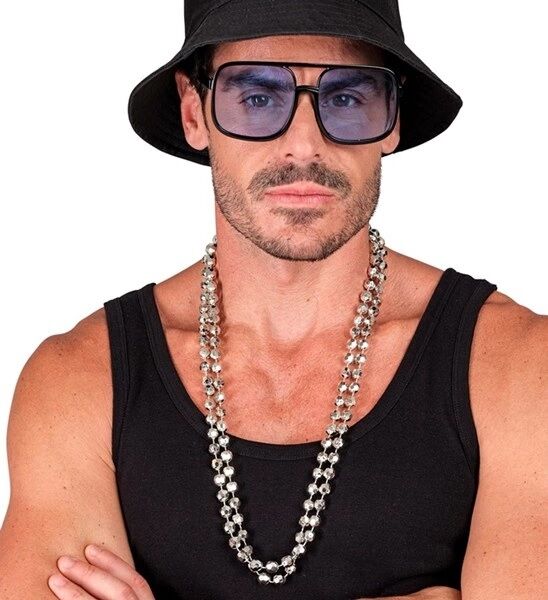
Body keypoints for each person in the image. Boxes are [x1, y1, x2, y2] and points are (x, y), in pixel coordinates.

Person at [0, 1, 546, 599]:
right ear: (194, 112)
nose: (304, 146)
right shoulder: (80, 379)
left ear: (392, 118)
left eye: (345, 97)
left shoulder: (517, 366)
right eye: (258, 97)